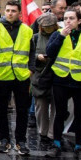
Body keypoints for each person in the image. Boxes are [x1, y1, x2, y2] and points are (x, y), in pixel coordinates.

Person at [45, 7, 81, 159]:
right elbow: (49, 52)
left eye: (71, 18)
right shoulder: (58, 34)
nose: (68, 21)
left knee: (80, 115)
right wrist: (61, 37)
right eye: (66, 18)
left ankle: (78, 146)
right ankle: (56, 144)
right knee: (59, 113)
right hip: (61, 79)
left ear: (79, 21)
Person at [0, 0, 36, 155]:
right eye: (8, 10)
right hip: (2, 75)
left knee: (22, 110)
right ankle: (4, 140)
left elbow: (32, 51)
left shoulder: (26, 30)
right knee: (1, 110)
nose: (10, 13)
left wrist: (31, 69)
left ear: (19, 13)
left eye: (13, 11)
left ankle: (21, 141)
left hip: (21, 75)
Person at [31, 13, 59, 144]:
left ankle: (52, 133)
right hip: (40, 76)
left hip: (56, 75)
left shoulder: (60, 37)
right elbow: (30, 54)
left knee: (56, 107)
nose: (47, 28)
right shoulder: (35, 38)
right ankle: (43, 132)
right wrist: (38, 57)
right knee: (41, 106)